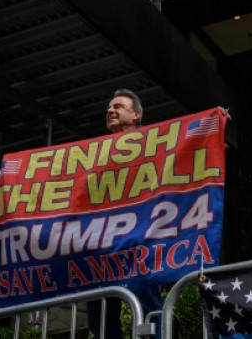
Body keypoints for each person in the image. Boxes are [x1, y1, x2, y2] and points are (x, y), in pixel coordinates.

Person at [87, 89, 161, 339]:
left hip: (140, 240)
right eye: (109, 107)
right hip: (102, 245)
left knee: (148, 307)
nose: (110, 111)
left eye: (118, 106)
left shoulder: (157, 144)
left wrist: (212, 122)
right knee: (100, 314)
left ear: (136, 115)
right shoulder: (94, 153)